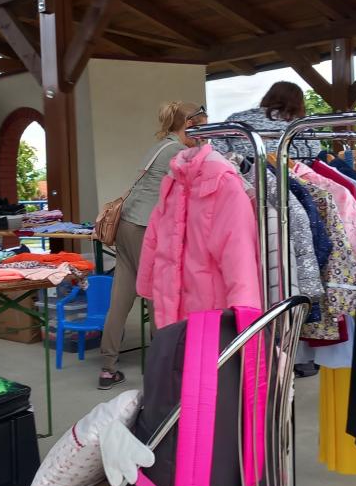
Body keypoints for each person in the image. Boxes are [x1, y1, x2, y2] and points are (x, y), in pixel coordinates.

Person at [97, 101, 204, 391]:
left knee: (121, 298)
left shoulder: (158, 147)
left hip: (126, 226)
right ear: (190, 125)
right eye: (202, 130)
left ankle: (107, 368)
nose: (203, 137)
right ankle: (162, 368)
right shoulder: (179, 152)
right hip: (146, 229)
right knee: (159, 296)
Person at [209, 81, 321, 160]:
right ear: (299, 103)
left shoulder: (236, 120)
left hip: (242, 180)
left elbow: (217, 150)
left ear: (268, 97)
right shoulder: (301, 126)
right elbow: (315, 154)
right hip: (293, 180)